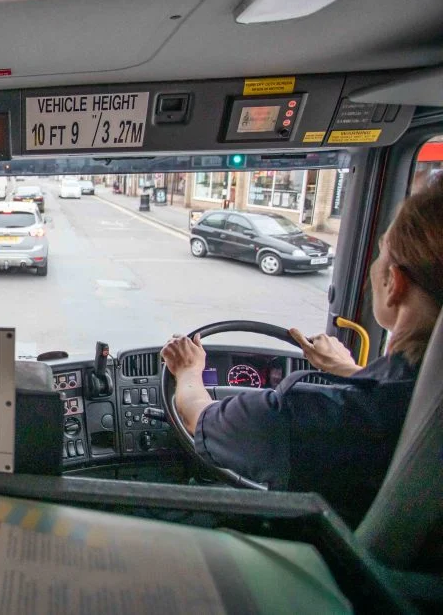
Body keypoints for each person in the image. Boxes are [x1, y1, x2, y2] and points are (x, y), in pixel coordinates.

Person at [162, 183, 443, 525]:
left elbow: (196, 415)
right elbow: (398, 399)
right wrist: (348, 370)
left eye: (381, 250)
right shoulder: (413, 404)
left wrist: (189, 371)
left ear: (393, 283)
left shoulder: (311, 419)